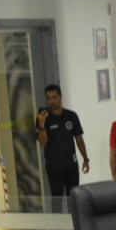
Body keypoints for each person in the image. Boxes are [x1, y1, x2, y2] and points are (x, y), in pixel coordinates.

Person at [36, 84, 88, 216]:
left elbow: (79, 139)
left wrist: (85, 159)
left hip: (71, 164)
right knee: (57, 198)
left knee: (73, 197)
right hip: (54, 166)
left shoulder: (71, 116)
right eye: (48, 98)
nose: (51, 101)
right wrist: (41, 125)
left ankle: (74, 229)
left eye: (54, 97)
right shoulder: (44, 118)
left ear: (60, 98)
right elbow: (43, 142)